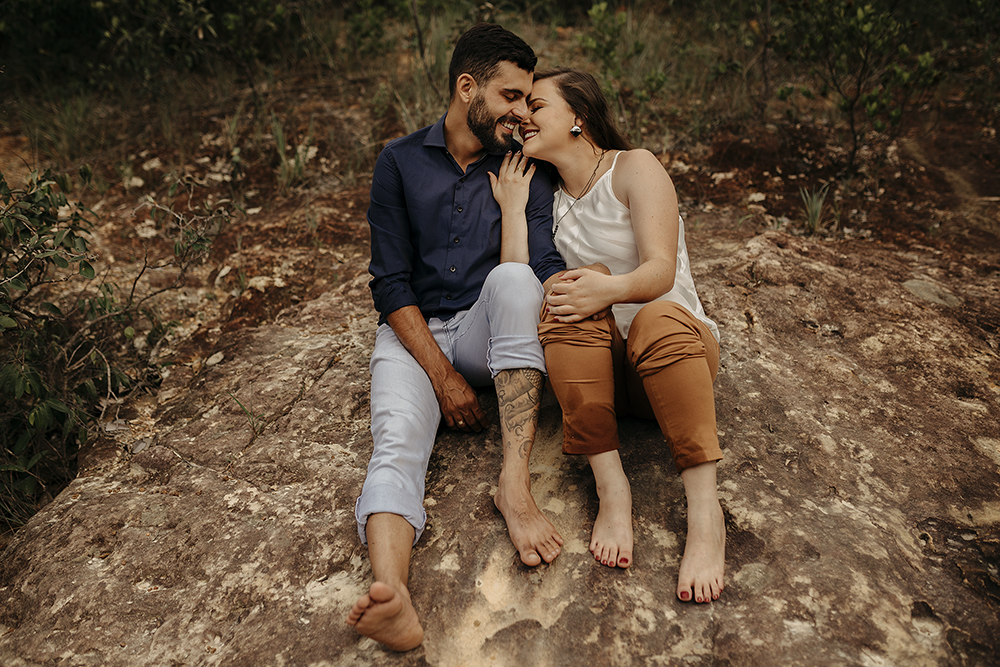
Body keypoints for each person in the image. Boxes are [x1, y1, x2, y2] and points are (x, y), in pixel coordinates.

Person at [346, 25, 568, 651]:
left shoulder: (525, 165)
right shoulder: (398, 163)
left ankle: (515, 484)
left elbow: (542, 265)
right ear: (467, 88)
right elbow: (389, 284)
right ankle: (393, 596)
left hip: (485, 330)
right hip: (417, 340)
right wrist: (441, 376)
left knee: (516, 280)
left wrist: (592, 285)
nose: (523, 113)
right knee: (395, 444)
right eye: (511, 97)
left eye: (528, 100)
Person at [490, 67, 726, 604]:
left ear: (578, 117)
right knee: (562, 299)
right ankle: (612, 490)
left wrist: (605, 287)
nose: (523, 115)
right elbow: (522, 281)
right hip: (606, 376)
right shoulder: (544, 199)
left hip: (671, 351)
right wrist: (515, 214)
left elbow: (660, 271)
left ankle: (706, 516)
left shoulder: (633, 168)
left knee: (652, 315)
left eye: (537, 105)